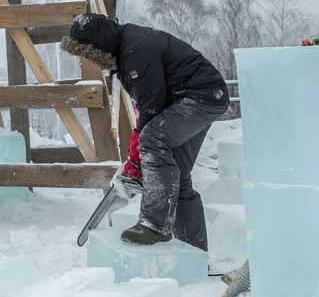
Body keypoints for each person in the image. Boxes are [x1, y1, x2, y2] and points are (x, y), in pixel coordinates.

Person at [60, 13, 229, 250]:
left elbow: (151, 105)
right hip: (197, 98)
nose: (92, 61)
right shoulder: (125, 49)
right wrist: (138, 160)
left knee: (153, 139)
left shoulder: (135, 51)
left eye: (90, 54)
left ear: (99, 44)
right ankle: (193, 251)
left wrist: (137, 160)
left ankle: (154, 224)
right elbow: (148, 106)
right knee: (177, 176)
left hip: (200, 97)